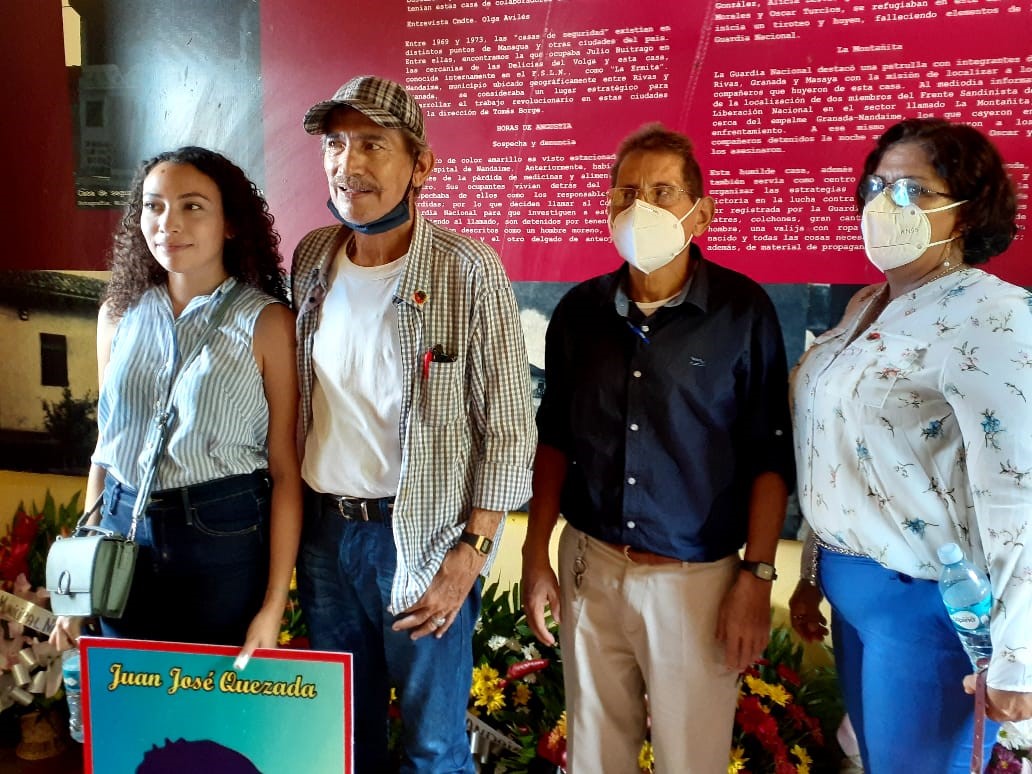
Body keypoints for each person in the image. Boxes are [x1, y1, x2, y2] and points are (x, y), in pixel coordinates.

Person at [521, 123, 794, 773]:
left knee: (690, 759)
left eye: (662, 192)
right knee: (594, 754)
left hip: (694, 581)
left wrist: (756, 577)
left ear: (701, 213)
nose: (640, 207)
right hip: (591, 568)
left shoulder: (742, 313)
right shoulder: (579, 313)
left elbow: (770, 455)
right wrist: (535, 553)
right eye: (626, 193)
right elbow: (554, 439)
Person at [292, 75, 535, 773]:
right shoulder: (312, 259)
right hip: (326, 537)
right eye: (336, 144)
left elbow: (510, 431)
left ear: (421, 165)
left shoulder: (467, 270)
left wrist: (470, 555)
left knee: (433, 748)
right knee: (344, 738)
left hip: (422, 541)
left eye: (373, 144)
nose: (349, 162)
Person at [788, 118, 1032, 773]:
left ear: (967, 211)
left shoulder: (995, 316)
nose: (885, 204)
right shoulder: (868, 304)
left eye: (913, 190)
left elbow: (1019, 492)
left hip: (932, 609)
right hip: (853, 593)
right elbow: (836, 448)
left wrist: (1019, 657)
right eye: (877, 186)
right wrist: (811, 572)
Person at [51, 146, 302, 662]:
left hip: (223, 533)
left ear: (230, 224)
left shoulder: (268, 323)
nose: (168, 223)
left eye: (192, 206)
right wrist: (79, 587)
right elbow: (105, 451)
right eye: (154, 206)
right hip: (122, 529)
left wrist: (274, 603)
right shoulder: (117, 315)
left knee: (213, 697)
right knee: (128, 688)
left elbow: (285, 472)